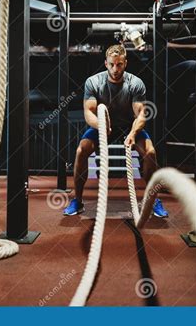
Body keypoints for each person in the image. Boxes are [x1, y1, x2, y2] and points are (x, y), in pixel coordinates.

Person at [63, 44, 169, 218]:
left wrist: (133, 134)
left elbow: (141, 114)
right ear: (106, 63)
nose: (115, 69)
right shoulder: (93, 82)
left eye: (119, 64)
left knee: (150, 152)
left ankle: (153, 199)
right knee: (81, 150)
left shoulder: (135, 83)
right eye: (112, 64)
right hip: (102, 126)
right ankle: (78, 200)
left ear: (125, 63)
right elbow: (89, 113)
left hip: (128, 126)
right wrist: (102, 126)